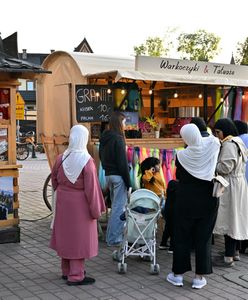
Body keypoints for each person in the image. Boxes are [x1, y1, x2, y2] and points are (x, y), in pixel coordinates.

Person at [49, 125, 106, 286]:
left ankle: (66, 271)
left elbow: (54, 180)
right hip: (80, 205)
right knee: (79, 240)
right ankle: (76, 275)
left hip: (63, 202)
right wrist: (96, 210)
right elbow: (92, 189)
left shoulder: (61, 158)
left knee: (66, 236)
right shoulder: (87, 162)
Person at [166, 123, 220, 289]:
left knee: (181, 237)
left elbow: (179, 176)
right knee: (203, 239)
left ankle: (178, 275)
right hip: (208, 199)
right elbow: (214, 139)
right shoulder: (212, 145)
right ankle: (199, 277)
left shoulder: (181, 155)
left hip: (186, 200)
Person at [213, 118, 248, 267]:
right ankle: (234, 253)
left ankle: (228, 257)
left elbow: (225, 168)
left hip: (230, 185)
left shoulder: (228, 144)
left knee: (230, 221)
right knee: (235, 219)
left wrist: (213, 164)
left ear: (225, 131)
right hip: (238, 184)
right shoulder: (237, 141)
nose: (217, 135)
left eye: (218, 132)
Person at [99, 111, 131, 247]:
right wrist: (129, 182)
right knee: (119, 208)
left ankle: (111, 236)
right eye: (123, 122)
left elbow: (101, 156)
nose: (125, 125)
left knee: (115, 207)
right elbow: (122, 163)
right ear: (119, 123)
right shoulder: (118, 139)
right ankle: (113, 238)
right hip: (118, 176)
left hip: (108, 175)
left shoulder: (105, 137)